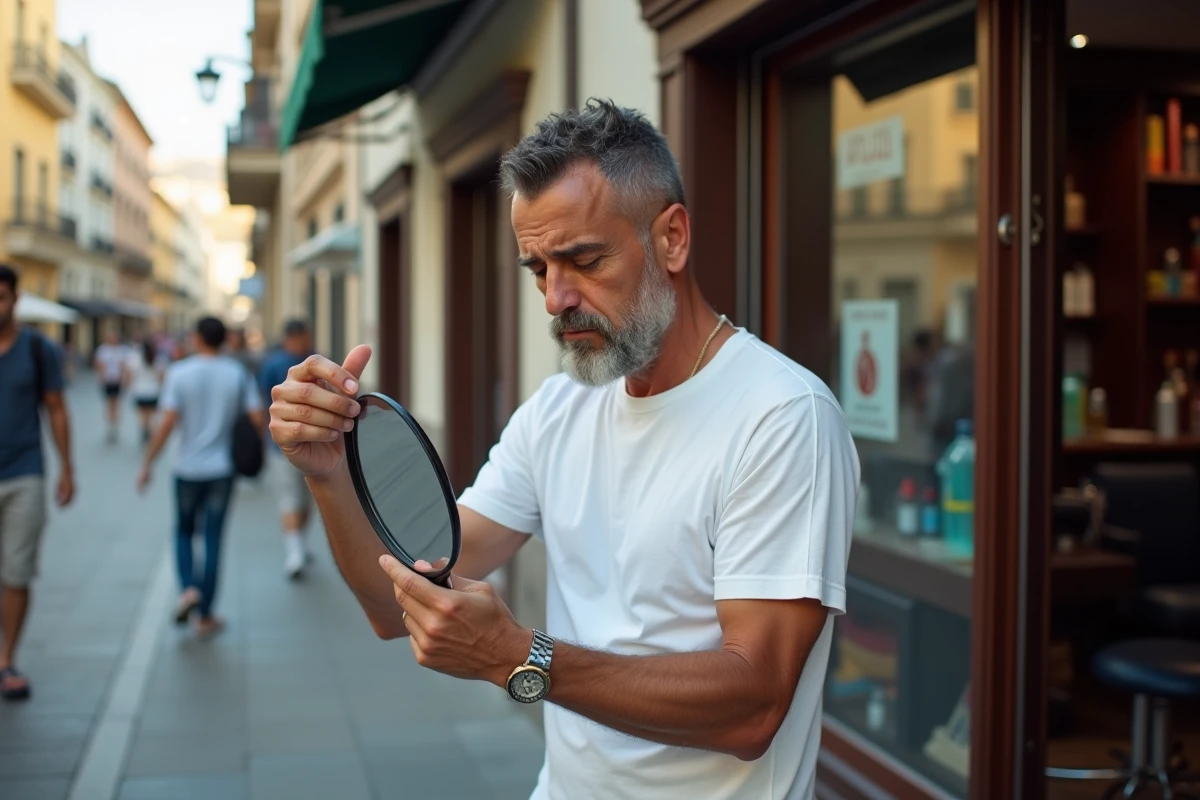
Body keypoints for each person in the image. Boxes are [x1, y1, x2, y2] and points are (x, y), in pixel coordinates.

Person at [269, 100, 859, 798]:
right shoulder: (558, 409)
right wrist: (329, 476)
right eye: (538, 269)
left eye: (582, 260)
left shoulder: (780, 415)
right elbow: (393, 605)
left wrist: (521, 657)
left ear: (671, 239)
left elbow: (755, 705)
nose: (555, 298)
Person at [137, 316, 264, 636]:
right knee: (213, 538)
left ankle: (189, 590)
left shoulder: (179, 373)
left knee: (183, 531)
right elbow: (258, 418)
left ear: (196, 338)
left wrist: (147, 463)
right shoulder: (237, 373)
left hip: (186, 468)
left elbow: (167, 424)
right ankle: (206, 615)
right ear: (223, 340)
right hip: (222, 469)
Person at [0, 264, 75, 700]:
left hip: (24, 473)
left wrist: (67, 467)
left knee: (16, 570)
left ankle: (7, 658)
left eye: (2, 296)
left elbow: (57, 408)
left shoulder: (36, 348)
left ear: (15, 298)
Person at [258, 319, 316, 579]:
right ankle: (294, 553)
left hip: (313, 445)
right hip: (282, 447)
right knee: (291, 499)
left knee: (305, 501)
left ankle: (298, 545)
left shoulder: (316, 363)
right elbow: (264, 403)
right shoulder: (275, 364)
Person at [125, 338, 165, 445]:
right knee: (152, 415)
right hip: (153, 391)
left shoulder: (135, 358)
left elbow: (130, 374)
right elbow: (161, 377)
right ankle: (151, 432)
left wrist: (128, 388)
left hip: (139, 391)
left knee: (142, 415)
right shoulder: (158, 359)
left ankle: (144, 430)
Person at [93, 331, 128, 443]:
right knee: (109, 403)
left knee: (116, 403)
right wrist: (101, 377)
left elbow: (123, 365)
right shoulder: (103, 350)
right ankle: (110, 426)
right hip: (107, 381)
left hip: (117, 381)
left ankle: (114, 426)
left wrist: (124, 378)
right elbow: (99, 365)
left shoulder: (121, 350)